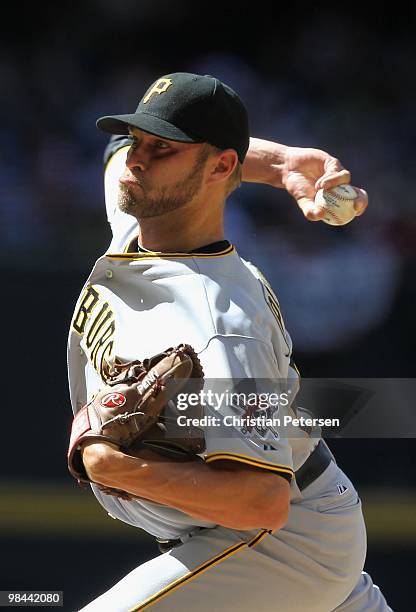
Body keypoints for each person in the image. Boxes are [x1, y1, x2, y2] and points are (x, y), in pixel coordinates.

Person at [68, 72, 390, 611]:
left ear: (219, 168)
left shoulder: (220, 321)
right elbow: (126, 147)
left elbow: (261, 501)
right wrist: (283, 162)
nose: (137, 159)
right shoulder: (143, 207)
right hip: (247, 529)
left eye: (161, 148)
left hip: (282, 539)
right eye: (139, 140)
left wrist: (112, 466)